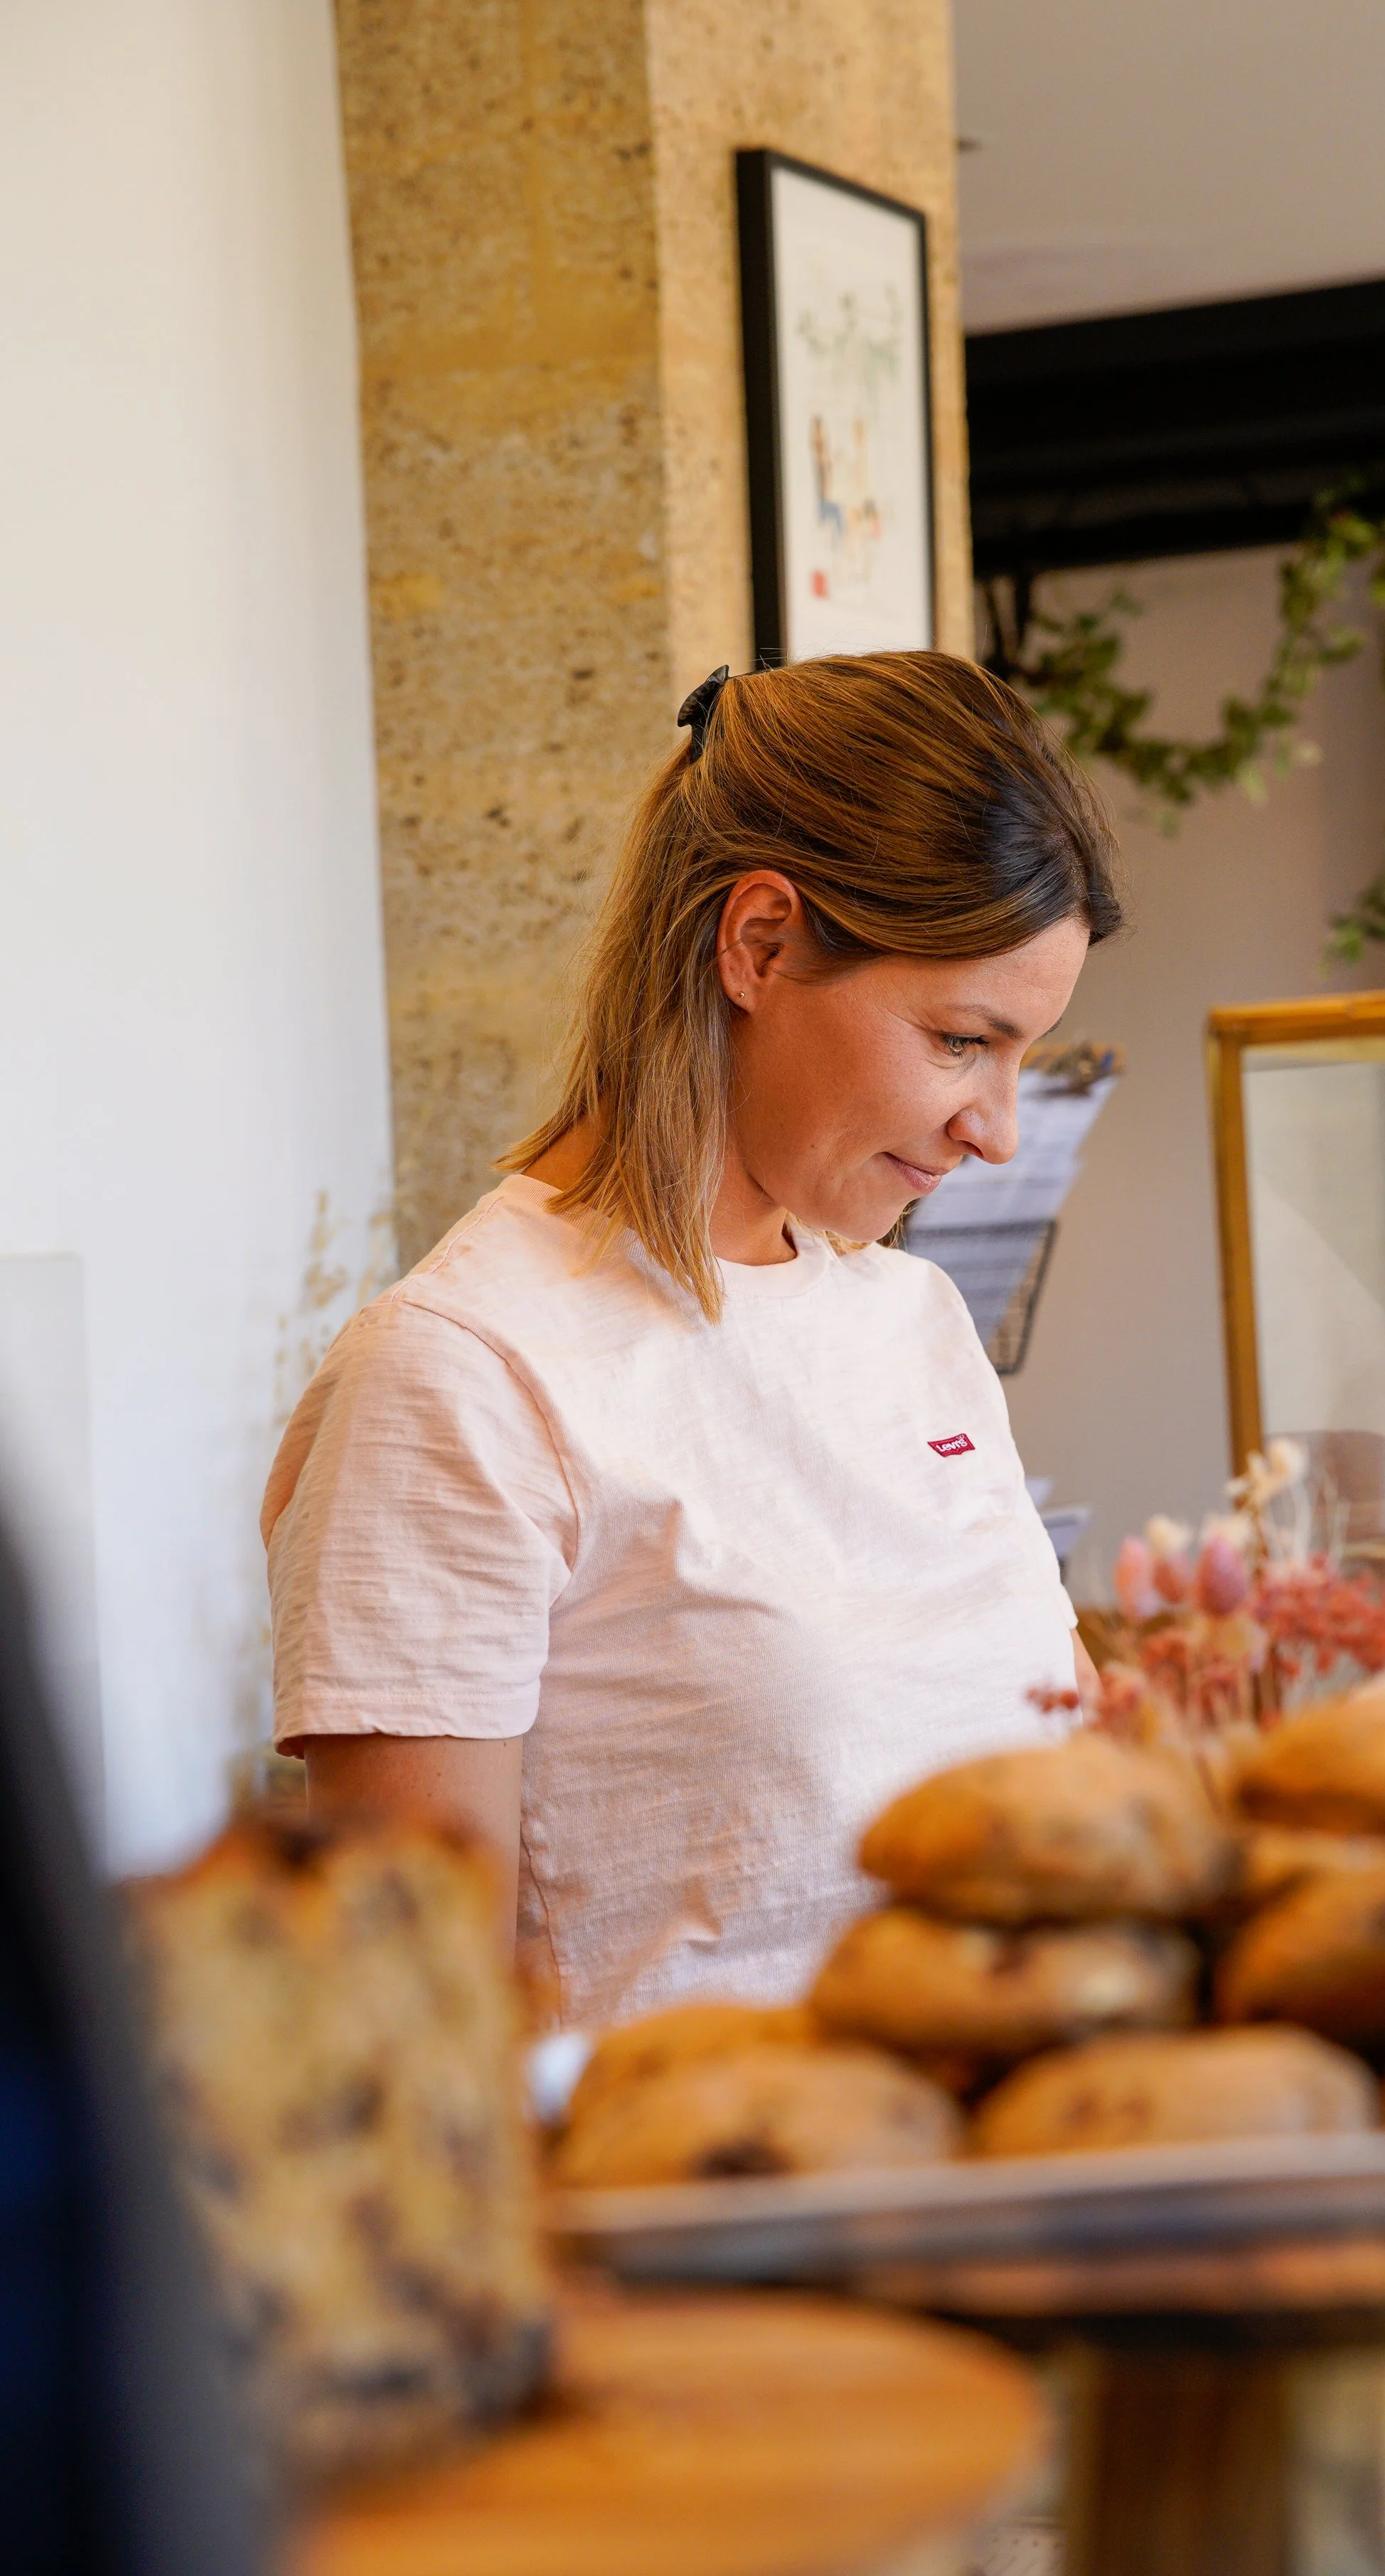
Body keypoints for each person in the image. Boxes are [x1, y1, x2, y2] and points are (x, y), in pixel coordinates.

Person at [263, 651, 1124, 2037]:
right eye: (962, 1041)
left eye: (1021, 1054)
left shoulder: (909, 1323)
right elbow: (414, 2043)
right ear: (760, 944)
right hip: (696, 2209)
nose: (998, 1128)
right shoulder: (459, 1375)